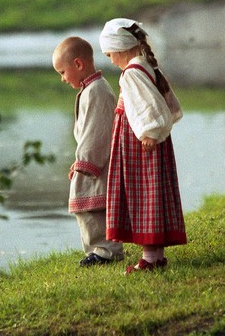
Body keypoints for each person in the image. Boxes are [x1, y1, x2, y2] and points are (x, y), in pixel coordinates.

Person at [99, 18, 187, 274]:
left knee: (142, 194)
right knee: (152, 192)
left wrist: (149, 131)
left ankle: (149, 258)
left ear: (121, 49)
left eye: (110, 54)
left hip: (139, 144)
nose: (111, 60)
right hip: (150, 139)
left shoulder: (132, 73)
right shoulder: (146, 66)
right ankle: (155, 256)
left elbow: (150, 105)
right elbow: (166, 101)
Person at [52, 36, 124, 267]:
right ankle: (97, 249)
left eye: (63, 72)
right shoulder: (90, 89)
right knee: (87, 205)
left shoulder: (97, 91)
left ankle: (106, 251)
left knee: (94, 206)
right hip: (90, 160)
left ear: (78, 64)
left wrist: (86, 162)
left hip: (98, 163)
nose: (62, 79)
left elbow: (98, 130)